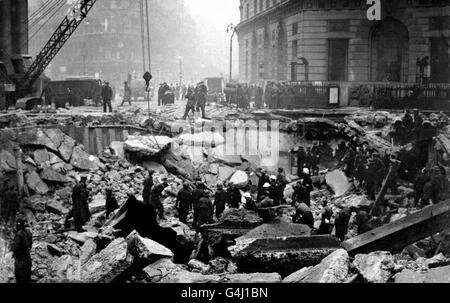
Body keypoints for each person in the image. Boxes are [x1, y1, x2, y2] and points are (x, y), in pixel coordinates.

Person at [11, 218, 32, 284]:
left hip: (21, 261)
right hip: (28, 259)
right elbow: (30, 246)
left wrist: (11, 246)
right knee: (27, 278)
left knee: (20, 279)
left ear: (17, 226)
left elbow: (15, 248)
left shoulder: (19, 235)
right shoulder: (28, 233)